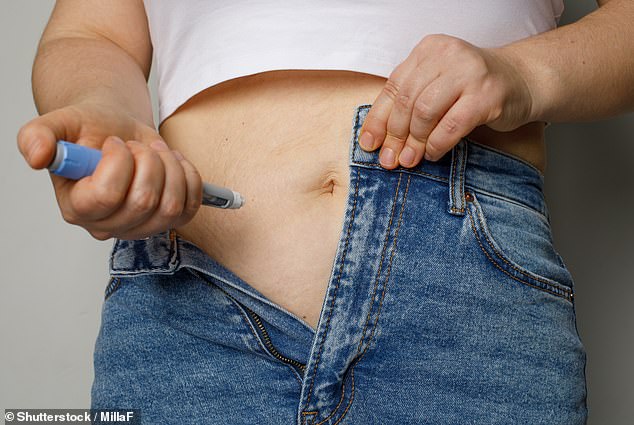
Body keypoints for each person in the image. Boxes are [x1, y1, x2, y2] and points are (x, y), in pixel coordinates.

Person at [17, 0, 633, 423]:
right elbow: (91, 33)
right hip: (188, 311)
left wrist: (522, 71)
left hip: (465, 315)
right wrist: (106, 118)